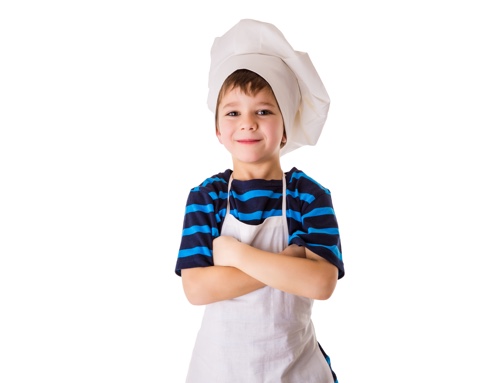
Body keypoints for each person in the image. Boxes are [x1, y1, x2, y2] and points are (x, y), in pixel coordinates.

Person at [175, 19, 345, 383]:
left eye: (264, 111)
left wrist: (237, 255)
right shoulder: (207, 197)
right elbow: (197, 288)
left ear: (286, 126)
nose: (248, 123)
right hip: (218, 372)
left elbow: (321, 283)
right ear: (218, 129)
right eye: (233, 112)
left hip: (295, 371)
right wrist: (286, 265)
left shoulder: (308, 195)